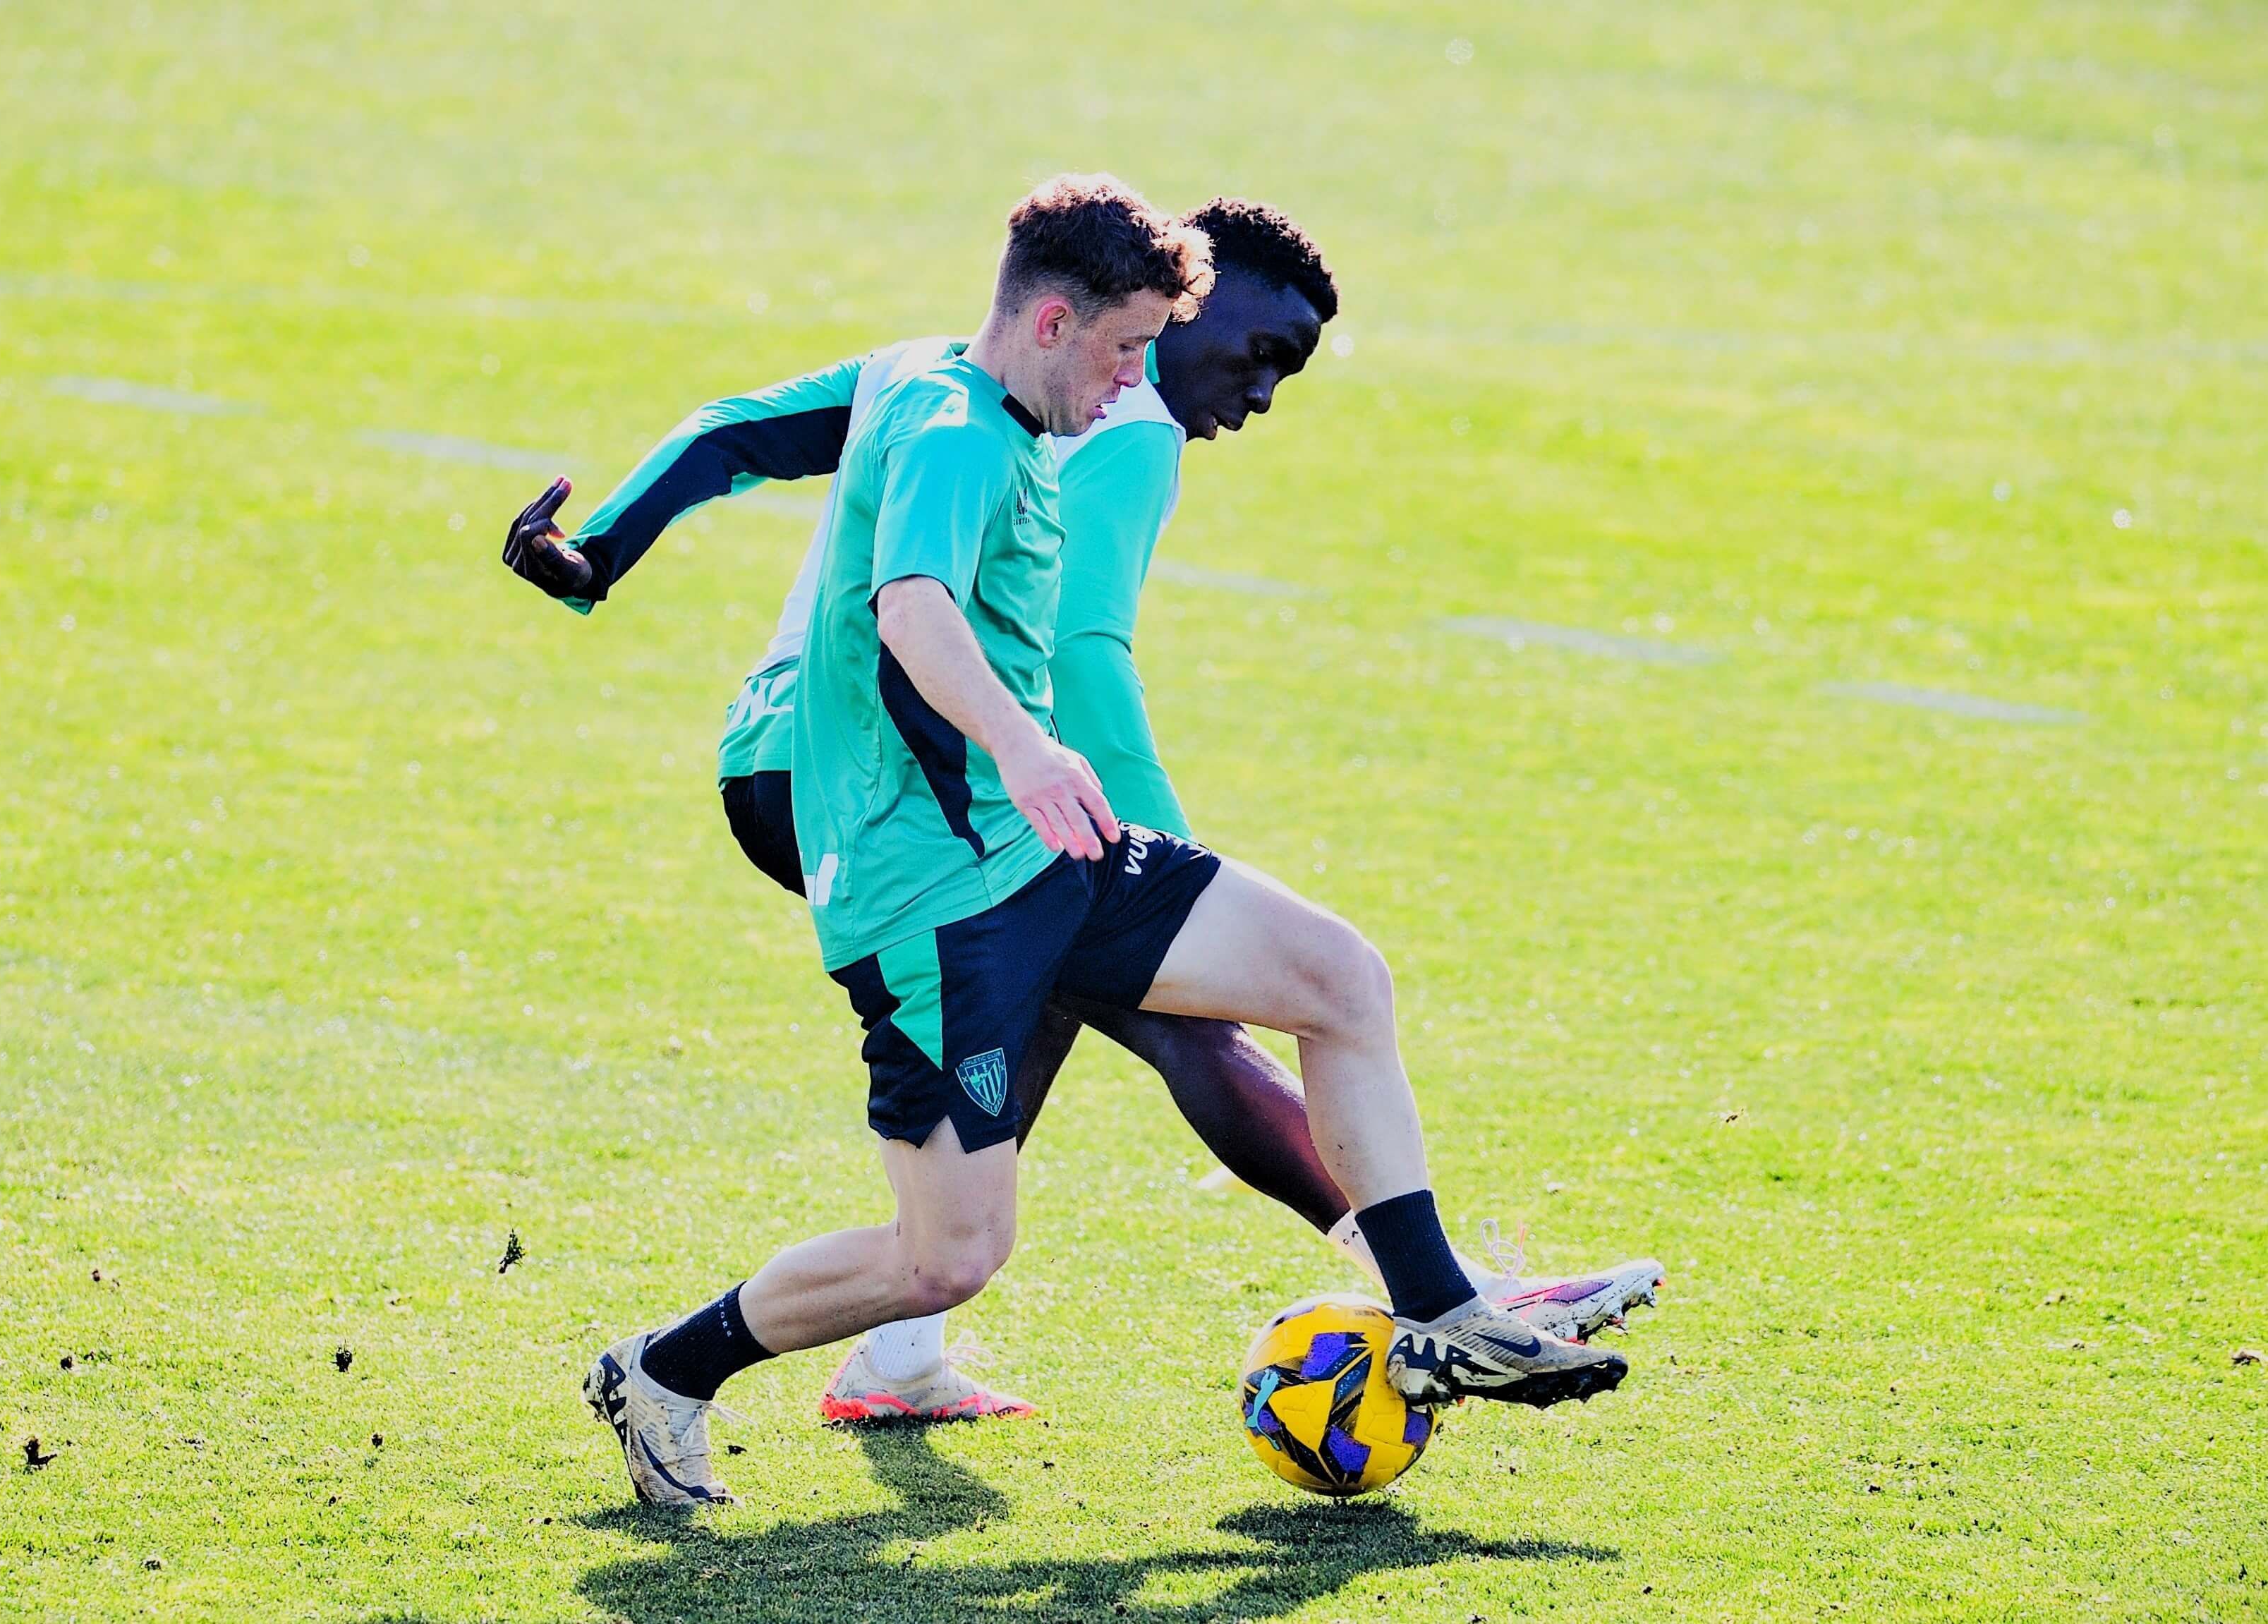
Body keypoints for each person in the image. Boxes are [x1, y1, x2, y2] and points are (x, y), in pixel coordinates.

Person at [517, 174, 1627, 1506]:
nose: (1134, 384)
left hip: (1034, 845)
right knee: (948, 1250)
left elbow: (730, 434)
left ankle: (1442, 1306)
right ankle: (664, 1368)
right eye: (1124, 350)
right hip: (926, 881)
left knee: (1334, 978)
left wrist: (601, 557)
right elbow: (916, 602)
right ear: (1054, 321)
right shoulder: (948, 426)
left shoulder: (936, 382)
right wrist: (1028, 745)